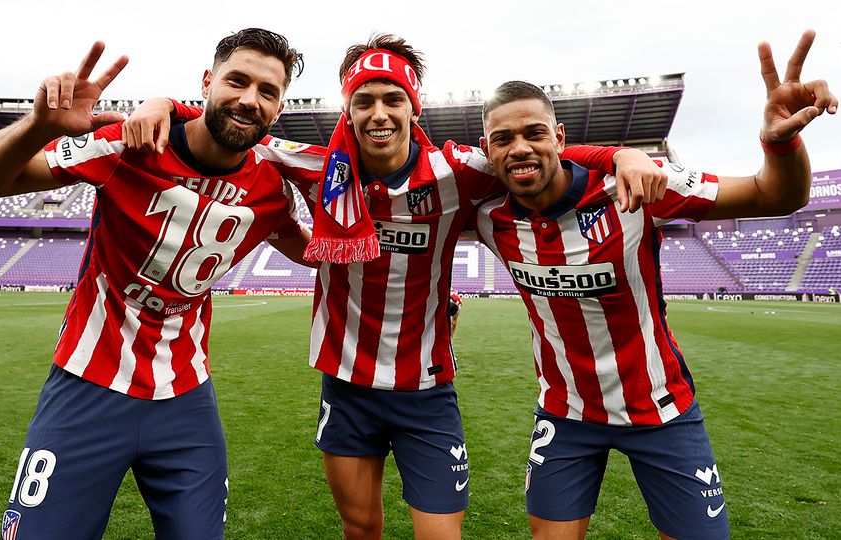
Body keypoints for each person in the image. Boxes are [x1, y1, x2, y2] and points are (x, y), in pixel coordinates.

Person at [125, 34, 665, 540]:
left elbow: (540, 158)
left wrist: (622, 154)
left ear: (414, 106)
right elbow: (232, 124)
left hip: (426, 392)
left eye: (392, 98)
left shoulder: (458, 172)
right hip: (346, 382)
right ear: (348, 111)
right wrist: (164, 104)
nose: (379, 113)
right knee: (360, 530)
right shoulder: (316, 168)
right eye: (364, 101)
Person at [472, 30, 835, 540]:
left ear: (560, 136)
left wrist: (780, 141)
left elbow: (774, 195)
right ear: (486, 149)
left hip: (662, 409)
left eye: (534, 132)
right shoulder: (487, 217)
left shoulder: (639, 186)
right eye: (503, 139)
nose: (520, 147)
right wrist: (616, 150)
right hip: (566, 412)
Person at [0, 28, 311, 539]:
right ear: (208, 82)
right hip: (87, 383)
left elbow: (325, 254)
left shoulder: (271, 191)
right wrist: (38, 125)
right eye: (237, 81)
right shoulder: (129, 144)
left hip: (186, 396)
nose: (249, 99)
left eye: (267, 91)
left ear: (278, 109)